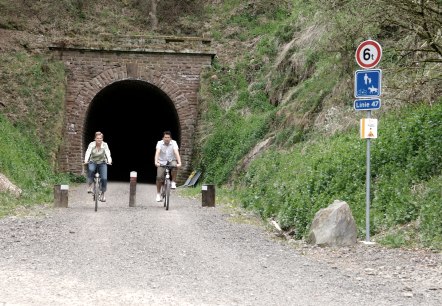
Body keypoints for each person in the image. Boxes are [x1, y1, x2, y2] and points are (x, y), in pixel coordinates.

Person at [84, 131, 112, 202]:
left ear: (102, 139)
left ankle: (102, 194)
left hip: (102, 162)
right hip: (93, 161)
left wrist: (109, 160)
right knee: (91, 170)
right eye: (97, 138)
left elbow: (108, 153)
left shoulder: (105, 145)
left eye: (100, 138)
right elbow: (88, 152)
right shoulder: (91, 144)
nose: (99, 140)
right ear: (95, 139)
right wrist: (86, 160)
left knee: (104, 178)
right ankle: (90, 186)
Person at [154, 131, 182, 202]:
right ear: (163, 138)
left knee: (175, 166)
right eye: (165, 137)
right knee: (159, 177)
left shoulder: (174, 143)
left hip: (171, 160)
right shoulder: (159, 143)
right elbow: (157, 152)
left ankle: (173, 182)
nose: (167, 139)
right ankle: (158, 194)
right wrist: (156, 162)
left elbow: (176, 152)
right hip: (161, 161)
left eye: (168, 137)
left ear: (170, 138)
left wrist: (179, 162)